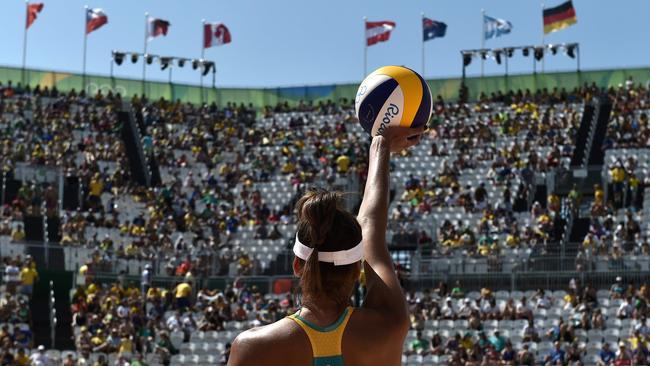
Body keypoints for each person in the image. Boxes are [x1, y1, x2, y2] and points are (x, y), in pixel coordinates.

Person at [228, 126, 425, 365]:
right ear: (357, 269)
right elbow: (371, 224)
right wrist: (380, 145)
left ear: (297, 265)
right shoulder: (389, 324)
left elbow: (369, 225)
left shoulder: (253, 348)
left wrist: (381, 144)